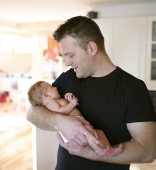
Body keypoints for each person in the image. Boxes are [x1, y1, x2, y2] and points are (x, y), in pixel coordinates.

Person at [27, 16, 156, 170]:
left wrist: (89, 152)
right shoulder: (68, 78)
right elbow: (32, 113)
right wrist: (62, 123)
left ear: (91, 48)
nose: (67, 62)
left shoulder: (133, 88)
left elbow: (147, 152)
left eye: (70, 55)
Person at [27, 80, 123, 157]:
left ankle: (108, 149)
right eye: (52, 87)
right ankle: (99, 150)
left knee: (100, 133)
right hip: (73, 125)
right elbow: (61, 110)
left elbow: (62, 104)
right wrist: (72, 104)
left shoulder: (55, 100)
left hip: (78, 122)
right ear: (46, 95)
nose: (55, 87)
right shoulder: (50, 102)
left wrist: (67, 97)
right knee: (89, 133)